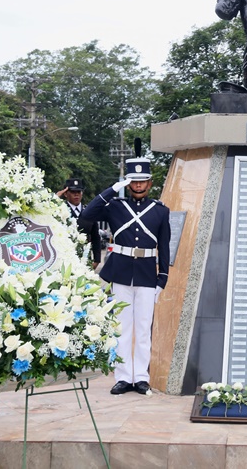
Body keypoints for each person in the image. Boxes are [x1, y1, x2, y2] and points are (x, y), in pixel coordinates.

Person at [81, 157, 171, 395]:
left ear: (150, 183)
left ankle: (140, 377)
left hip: (147, 275)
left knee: (143, 329)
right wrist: (113, 189)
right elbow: (87, 214)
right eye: (134, 181)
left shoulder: (161, 211)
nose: (138, 185)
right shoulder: (115, 206)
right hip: (120, 274)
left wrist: (162, 277)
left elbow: (164, 246)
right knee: (121, 328)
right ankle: (122, 377)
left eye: (142, 181)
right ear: (128, 183)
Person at [57, 178, 101, 269]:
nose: (76, 194)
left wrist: (97, 259)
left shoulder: (89, 211)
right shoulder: (59, 210)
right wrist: (55, 197)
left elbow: (95, 237)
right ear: (66, 194)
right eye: (73, 192)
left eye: (79, 192)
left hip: (85, 257)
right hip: (64, 257)